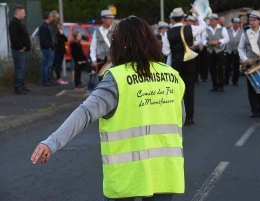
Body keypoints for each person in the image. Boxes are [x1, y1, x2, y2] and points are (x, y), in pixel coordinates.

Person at [31, 16, 186, 201]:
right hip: (164, 171)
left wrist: (51, 142)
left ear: (120, 45)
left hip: (127, 175)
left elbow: (85, 112)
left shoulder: (118, 78)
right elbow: (180, 118)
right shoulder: (172, 76)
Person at [162, 6, 206, 125]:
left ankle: (177, 115)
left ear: (172, 19)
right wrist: (198, 14)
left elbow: (165, 52)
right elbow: (203, 27)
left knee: (176, 89)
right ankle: (189, 117)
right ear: (183, 18)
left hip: (176, 62)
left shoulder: (168, 33)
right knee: (189, 88)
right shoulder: (190, 28)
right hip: (189, 61)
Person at [202, 13, 229, 92]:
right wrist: (208, 43)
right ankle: (215, 85)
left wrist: (219, 41)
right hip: (210, 50)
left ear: (217, 21)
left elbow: (226, 39)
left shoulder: (222, 29)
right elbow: (203, 40)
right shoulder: (207, 29)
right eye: (210, 20)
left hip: (219, 50)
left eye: (213, 20)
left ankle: (221, 85)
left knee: (220, 68)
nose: (211, 22)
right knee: (211, 68)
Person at [8, 5, 31, 94]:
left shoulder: (19, 23)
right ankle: (18, 87)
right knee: (19, 69)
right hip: (19, 51)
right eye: (23, 13)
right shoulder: (14, 23)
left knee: (22, 68)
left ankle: (22, 84)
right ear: (18, 13)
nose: (24, 15)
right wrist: (20, 47)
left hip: (23, 50)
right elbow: (14, 37)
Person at [90, 10, 115, 82]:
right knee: (102, 79)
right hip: (101, 59)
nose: (111, 20)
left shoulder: (115, 30)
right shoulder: (97, 31)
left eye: (111, 18)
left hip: (113, 59)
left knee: (113, 79)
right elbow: (93, 47)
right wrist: (94, 59)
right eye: (109, 18)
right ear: (103, 19)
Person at [39, 12, 56, 86]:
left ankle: (50, 79)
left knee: (50, 65)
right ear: (48, 17)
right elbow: (43, 39)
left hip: (51, 48)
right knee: (46, 64)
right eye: (51, 16)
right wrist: (48, 46)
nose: (52, 18)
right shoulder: (43, 26)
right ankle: (45, 80)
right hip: (47, 48)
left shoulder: (49, 26)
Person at [225, 18, 243, 86]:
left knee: (236, 67)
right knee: (227, 66)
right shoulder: (228, 31)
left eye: (237, 23)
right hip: (229, 50)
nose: (236, 24)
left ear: (239, 24)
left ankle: (235, 81)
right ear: (232, 23)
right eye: (234, 23)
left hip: (237, 51)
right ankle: (226, 80)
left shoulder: (242, 32)